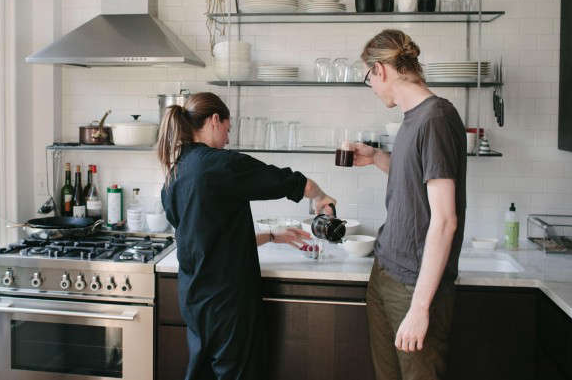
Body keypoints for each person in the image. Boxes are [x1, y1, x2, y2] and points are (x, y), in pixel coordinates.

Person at [157, 92, 336, 380]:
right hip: (228, 302)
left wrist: (271, 235)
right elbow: (287, 181)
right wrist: (320, 196)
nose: (228, 138)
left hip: (194, 299)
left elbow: (208, 239)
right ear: (215, 120)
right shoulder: (220, 164)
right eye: (228, 129)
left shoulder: (175, 172)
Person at [353, 30, 467, 380]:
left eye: (368, 76)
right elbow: (415, 175)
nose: (370, 85)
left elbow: (445, 220)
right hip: (386, 272)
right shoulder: (413, 119)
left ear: (380, 70)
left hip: (412, 285)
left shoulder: (436, 118)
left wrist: (420, 308)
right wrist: (376, 159)